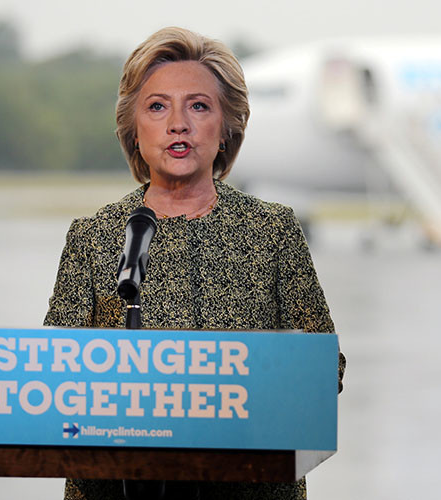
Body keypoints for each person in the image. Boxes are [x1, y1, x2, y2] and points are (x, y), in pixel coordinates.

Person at [44, 26, 345, 500]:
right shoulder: (94, 236)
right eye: (158, 106)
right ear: (133, 129)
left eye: (199, 106)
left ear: (226, 128)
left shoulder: (274, 231)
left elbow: (325, 371)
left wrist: (226, 383)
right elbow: (52, 376)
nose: (177, 124)